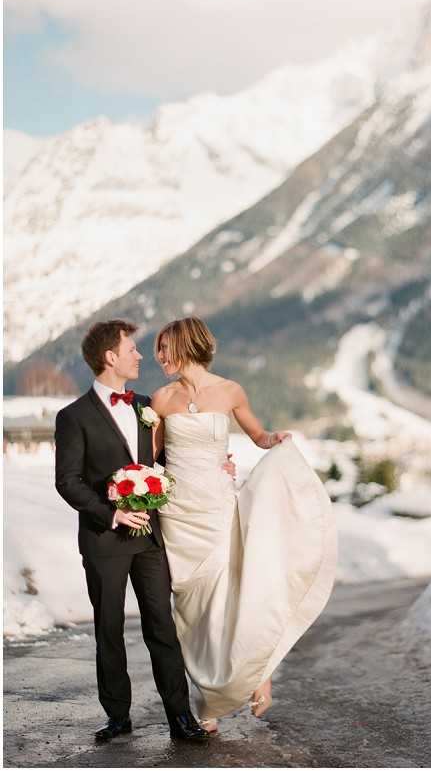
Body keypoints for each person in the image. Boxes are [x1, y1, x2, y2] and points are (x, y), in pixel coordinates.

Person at [151, 316, 337, 733]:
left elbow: (257, 435)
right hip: (178, 515)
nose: (158, 357)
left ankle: (250, 676)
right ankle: (210, 695)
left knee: (229, 598)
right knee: (191, 611)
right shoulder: (160, 400)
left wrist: (276, 441)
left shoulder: (231, 391)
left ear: (183, 346)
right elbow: (152, 459)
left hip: (217, 509)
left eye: (163, 348)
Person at [54, 319, 236, 743]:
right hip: (104, 540)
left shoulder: (144, 405)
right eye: (132, 349)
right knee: (109, 629)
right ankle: (118, 716)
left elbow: (170, 455)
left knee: (162, 627)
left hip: (151, 538)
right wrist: (111, 514)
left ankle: (180, 718)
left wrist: (219, 464)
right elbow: (68, 481)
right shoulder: (72, 416)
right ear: (110, 358)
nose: (140, 356)